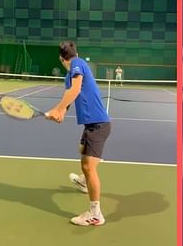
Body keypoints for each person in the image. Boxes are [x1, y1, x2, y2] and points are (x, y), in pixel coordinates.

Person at [46, 41, 111, 226]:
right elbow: (69, 98)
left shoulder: (78, 64)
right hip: (92, 124)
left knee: (89, 167)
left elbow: (75, 89)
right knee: (82, 151)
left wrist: (57, 109)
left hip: (98, 124)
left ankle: (95, 214)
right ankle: (84, 182)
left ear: (61, 58)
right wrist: (61, 113)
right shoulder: (69, 76)